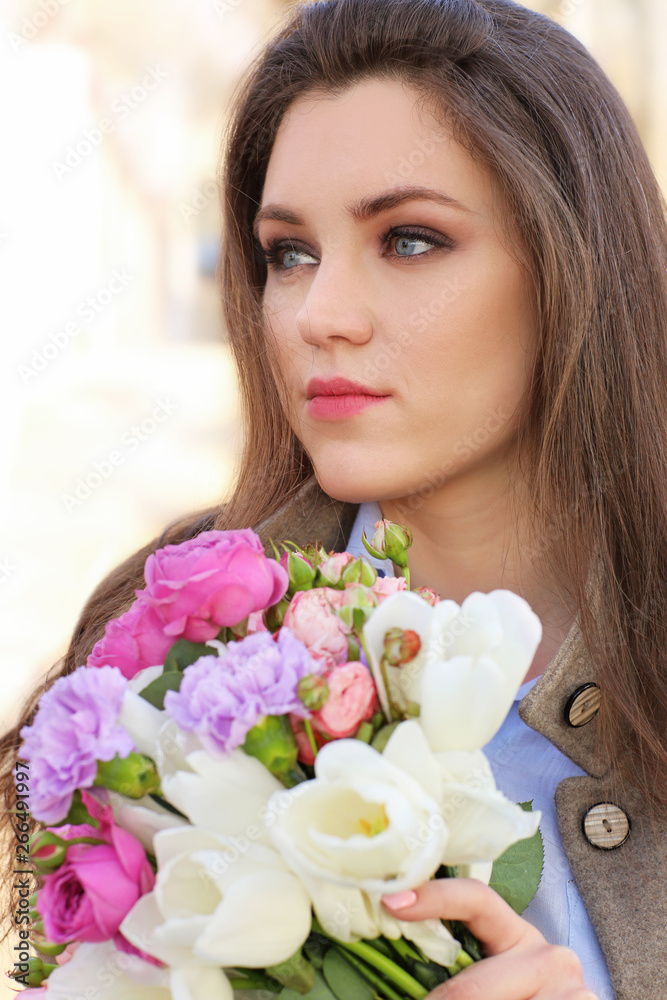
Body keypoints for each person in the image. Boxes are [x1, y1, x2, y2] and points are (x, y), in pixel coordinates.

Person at [2, 0, 667, 997]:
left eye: (407, 240)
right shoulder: (164, 651)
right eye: (288, 254)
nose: (318, 315)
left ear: (574, 268)